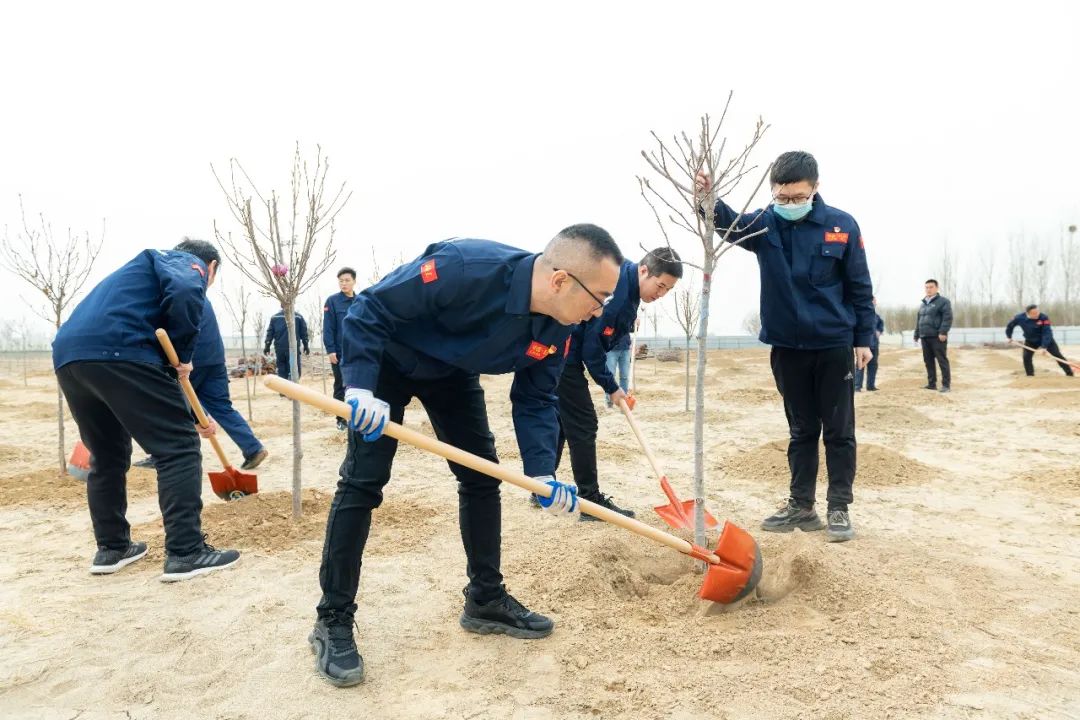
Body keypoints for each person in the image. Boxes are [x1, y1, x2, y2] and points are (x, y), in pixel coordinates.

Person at [309, 226, 622, 687]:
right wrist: (358, 386)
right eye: (599, 297)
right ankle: (332, 618)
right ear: (560, 281)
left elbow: (536, 398)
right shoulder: (464, 267)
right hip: (387, 359)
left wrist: (543, 474)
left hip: (451, 375)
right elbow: (370, 309)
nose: (600, 311)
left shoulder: (560, 326)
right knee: (363, 483)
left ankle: (485, 599)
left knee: (481, 478)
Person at [697, 150, 873, 543]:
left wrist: (864, 339)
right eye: (782, 197)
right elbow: (726, 223)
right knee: (801, 430)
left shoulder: (842, 226)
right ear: (772, 191)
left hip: (833, 345)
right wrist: (707, 198)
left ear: (815, 188)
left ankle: (839, 508)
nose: (790, 204)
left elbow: (860, 286)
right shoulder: (765, 224)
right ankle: (801, 506)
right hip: (787, 348)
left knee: (839, 431)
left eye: (798, 197)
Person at [52, 238, 240, 581]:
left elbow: (156, 381)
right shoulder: (184, 264)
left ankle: (112, 549)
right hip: (120, 351)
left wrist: (192, 414)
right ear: (211, 267)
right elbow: (186, 290)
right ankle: (186, 552)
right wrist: (184, 354)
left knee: (106, 455)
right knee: (179, 449)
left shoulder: (137, 281)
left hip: (71, 357)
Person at [552, 248, 681, 519]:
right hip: (561, 351)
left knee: (565, 421)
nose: (661, 294)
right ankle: (590, 501)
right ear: (644, 270)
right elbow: (592, 352)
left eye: (668, 290)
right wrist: (612, 387)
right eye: (660, 286)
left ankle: (541, 487)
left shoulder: (628, 285)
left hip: (564, 348)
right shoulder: (618, 295)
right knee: (584, 423)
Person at [134, 296, 269, 471]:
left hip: (189, 361)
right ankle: (253, 448)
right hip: (215, 359)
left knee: (171, 407)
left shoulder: (173, 296)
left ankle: (163, 455)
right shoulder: (200, 295)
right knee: (221, 406)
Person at [324, 267, 358, 430]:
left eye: (347, 280)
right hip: (339, 353)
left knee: (359, 385)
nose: (343, 283)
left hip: (357, 352)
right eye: (341, 281)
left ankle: (356, 417)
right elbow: (328, 327)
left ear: (354, 281)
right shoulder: (332, 301)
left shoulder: (360, 301)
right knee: (340, 386)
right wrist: (330, 350)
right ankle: (341, 419)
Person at [1006, 304, 1074, 377]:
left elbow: (1047, 332)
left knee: (1057, 355)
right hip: (1030, 340)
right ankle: (1030, 375)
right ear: (1027, 313)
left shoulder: (1043, 317)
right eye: (1034, 313)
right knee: (1026, 357)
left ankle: (1069, 373)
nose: (1037, 314)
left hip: (1046, 340)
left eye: (1037, 312)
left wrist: (1044, 346)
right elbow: (1010, 326)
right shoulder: (1019, 318)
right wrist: (1009, 336)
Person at [915, 279, 953, 393]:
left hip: (937, 337)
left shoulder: (943, 302)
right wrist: (916, 334)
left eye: (931, 287)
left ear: (937, 288)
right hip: (925, 336)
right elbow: (919, 320)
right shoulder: (923, 304)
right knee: (928, 361)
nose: (928, 289)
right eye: (926, 287)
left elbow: (947, 317)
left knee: (942, 360)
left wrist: (943, 332)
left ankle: (946, 385)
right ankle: (932, 384)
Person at [264, 305, 310, 380]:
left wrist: (267, 346)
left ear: (281, 305)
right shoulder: (298, 317)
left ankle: (283, 387)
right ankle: (292, 386)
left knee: (282, 372)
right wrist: (306, 346)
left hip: (280, 350)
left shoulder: (275, 317)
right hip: (293, 349)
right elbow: (304, 333)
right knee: (294, 371)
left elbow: (270, 333)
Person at [854, 297, 885, 391]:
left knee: (873, 365)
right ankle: (857, 386)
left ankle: (871, 386)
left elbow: (881, 325)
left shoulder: (877, 316)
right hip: (864, 344)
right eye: (872, 301)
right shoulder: (861, 315)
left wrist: (879, 331)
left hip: (874, 344)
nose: (874, 303)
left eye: (875, 301)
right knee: (860, 365)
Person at [603, 322, 634, 408]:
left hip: (625, 349)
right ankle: (609, 402)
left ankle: (624, 402)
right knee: (610, 375)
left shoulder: (626, 316)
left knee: (624, 376)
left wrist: (634, 323)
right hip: (611, 349)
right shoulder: (610, 315)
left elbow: (631, 329)